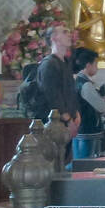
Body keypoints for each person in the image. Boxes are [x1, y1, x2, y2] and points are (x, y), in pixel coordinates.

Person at [37, 25, 80, 158]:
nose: (70, 35)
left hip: (68, 123)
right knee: (54, 163)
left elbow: (70, 93)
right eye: (65, 32)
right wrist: (68, 121)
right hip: (54, 126)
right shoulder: (48, 64)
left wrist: (76, 115)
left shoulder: (66, 63)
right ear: (54, 38)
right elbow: (53, 97)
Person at [73, 46, 105, 139]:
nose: (97, 68)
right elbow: (102, 108)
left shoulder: (78, 80)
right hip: (88, 130)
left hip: (81, 128)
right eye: (95, 64)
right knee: (89, 153)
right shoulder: (86, 85)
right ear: (88, 65)